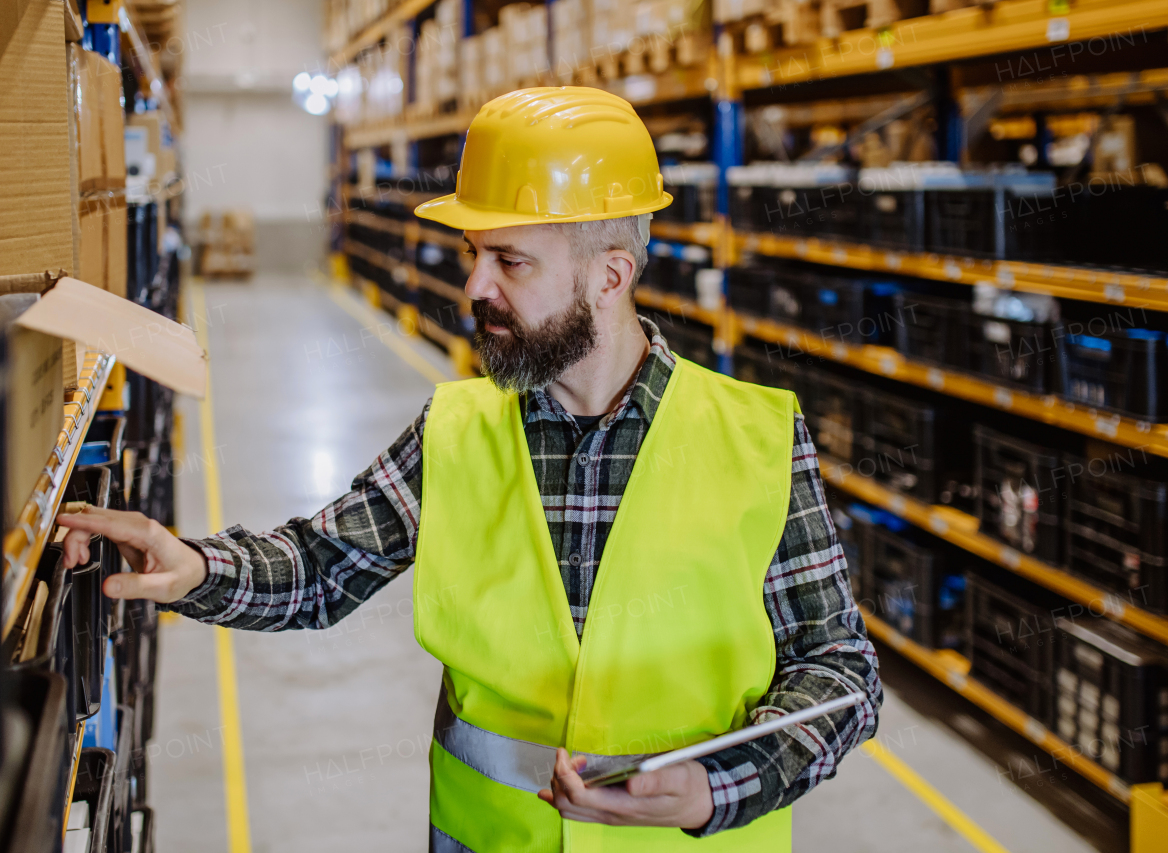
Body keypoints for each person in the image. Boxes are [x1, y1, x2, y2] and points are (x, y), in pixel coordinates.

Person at [58, 87, 881, 851]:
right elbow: (319, 568)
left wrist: (721, 786)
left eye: (510, 261)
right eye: (472, 253)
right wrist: (193, 564)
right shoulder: (458, 428)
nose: (473, 284)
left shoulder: (758, 436)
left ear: (611, 275)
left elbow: (842, 670)